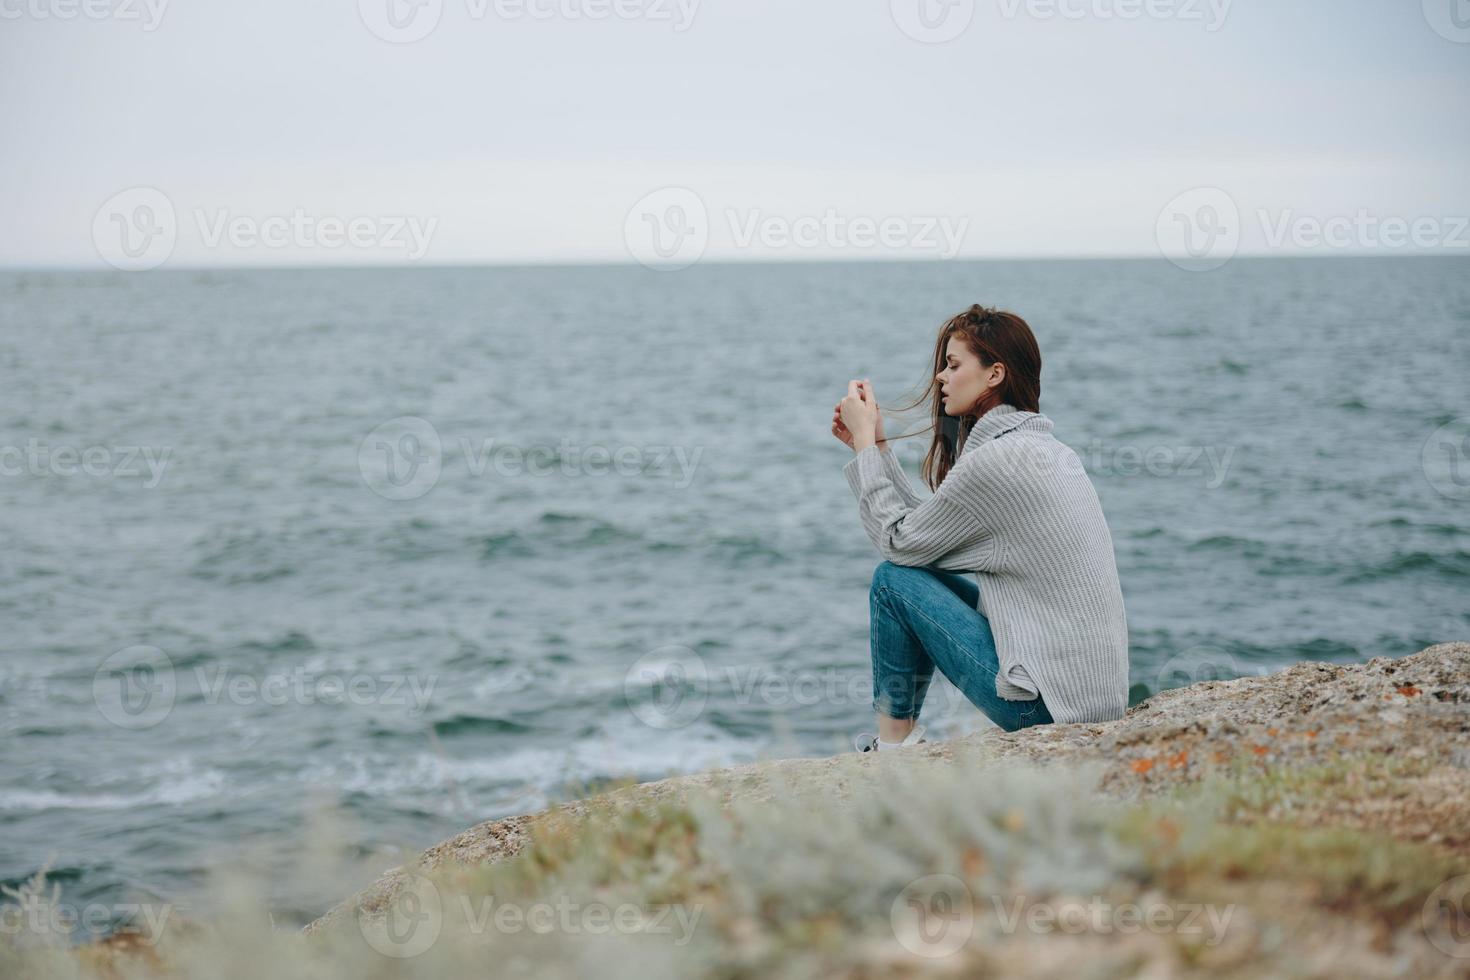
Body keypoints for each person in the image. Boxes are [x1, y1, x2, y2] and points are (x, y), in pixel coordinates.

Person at [831, 304, 1129, 752]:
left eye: (953, 365)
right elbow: (926, 535)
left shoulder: (996, 461)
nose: (940, 378)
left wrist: (866, 452)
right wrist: (875, 445)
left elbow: (898, 542)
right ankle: (895, 744)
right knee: (912, 574)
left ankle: (891, 749)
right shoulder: (1043, 448)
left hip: (1047, 711)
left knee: (892, 583)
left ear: (995, 375)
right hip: (1092, 700)